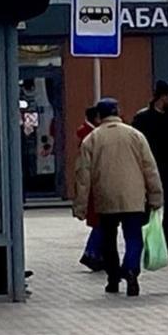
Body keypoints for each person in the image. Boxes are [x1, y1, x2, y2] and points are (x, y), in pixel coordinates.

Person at [74, 98, 163, 297]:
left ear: (99, 116)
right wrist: (156, 196)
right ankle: (131, 269)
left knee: (108, 240)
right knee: (133, 238)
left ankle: (113, 279)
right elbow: (150, 169)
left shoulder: (92, 139)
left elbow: (83, 176)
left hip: (105, 198)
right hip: (133, 197)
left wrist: (80, 206)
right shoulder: (135, 136)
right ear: (118, 112)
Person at [132, 81, 168, 254]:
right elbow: (136, 144)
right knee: (147, 206)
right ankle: (145, 239)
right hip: (148, 169)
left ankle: (165, 241)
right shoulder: (143, 118)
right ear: (162, 97)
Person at [76, 105, 104, 271]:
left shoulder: (86, 135)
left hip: (94, 186)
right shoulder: (92, 137)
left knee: (100, 224)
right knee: (102, 224)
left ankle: (94, 253)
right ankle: (92, 253)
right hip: (97, 187)